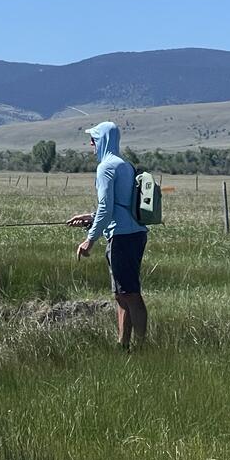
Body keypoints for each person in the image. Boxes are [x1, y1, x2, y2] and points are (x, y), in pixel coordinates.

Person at [69, 121, 149, 349]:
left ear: (102, 140)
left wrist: (89, 240)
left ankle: (139, 348)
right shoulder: (125, 165)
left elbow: (107, 208)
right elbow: (117, 205)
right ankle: (123, 345)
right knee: (122, 295)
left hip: (122, 238)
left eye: (94, 139)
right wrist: (89, 216)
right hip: (134, 234)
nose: (91, 143)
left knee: (131, 294)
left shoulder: (106, 168)